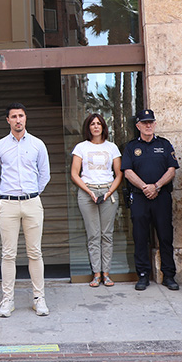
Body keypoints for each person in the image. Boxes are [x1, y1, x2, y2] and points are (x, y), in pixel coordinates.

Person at [0, 102, 51, 317]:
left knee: (35, 252)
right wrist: (5, 194)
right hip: (8, 204)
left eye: (21, 116)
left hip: (32, 202)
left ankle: (39, 299)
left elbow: (45, 174)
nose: (18, 120)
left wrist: (32, 193)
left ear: (26, 118)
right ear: (8, 120)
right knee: (8, 254)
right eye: (13, 116)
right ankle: (8, 300)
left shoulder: (37, 144)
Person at [122, 109, 180, 291]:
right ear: (138, 126)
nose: (148, 125)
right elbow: (128, 172)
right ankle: (142, 275)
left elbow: (171, 170)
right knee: (140, 237)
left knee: (165, 236)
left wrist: (156, 186)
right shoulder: (131, 147)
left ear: (154, 124)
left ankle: (169, 275)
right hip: (140, 198)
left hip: (161, 197)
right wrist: (145, 187)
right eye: (144, 123)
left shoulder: (164, 144)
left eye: (151, 122)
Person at [70, 113, 122, 288]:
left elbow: (119, 174)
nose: (96, 126)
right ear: (88, 127)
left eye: (99, 123)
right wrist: (89, 191)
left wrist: (109, 192)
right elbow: (74, 174)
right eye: (92, 124)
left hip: (108, 192)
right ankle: (96, 274)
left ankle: (106, 274)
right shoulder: (81, 147)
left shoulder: (112, 147)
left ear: (103, 127)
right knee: (93, 235)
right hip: (87, 192)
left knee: (107, 235)